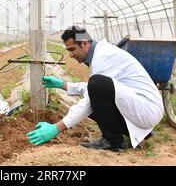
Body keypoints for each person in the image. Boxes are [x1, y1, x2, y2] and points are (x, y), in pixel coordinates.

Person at [27, 26, 164, 151]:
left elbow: (93, 93)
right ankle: (132, 130)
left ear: (85, 43)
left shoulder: (104, 57)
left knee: (95, 87)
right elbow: (94, 90)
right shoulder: (99, 54)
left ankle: (113, 141)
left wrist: (57, 128)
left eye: (72, 49)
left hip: (146, 109)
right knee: (95, 89)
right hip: (140, 107)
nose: (70, 55)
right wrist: (62, 84)